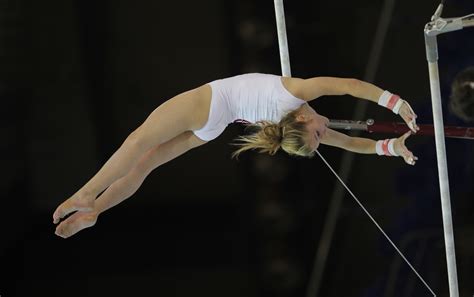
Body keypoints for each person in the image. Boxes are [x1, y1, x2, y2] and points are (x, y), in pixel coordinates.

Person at [53, 73, 420, 238]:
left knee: (137, 145)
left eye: (319, 136)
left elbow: (350, 100)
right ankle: (95, 209)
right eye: (321, 135)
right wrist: (391, 135)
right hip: (214, 124)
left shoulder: (296, 99)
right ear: (305, 119)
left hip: (210, 105)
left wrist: (392, 116)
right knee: (145, 162)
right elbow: (351, 94)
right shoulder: (295, 96)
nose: (327, 135)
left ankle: (90, 195)